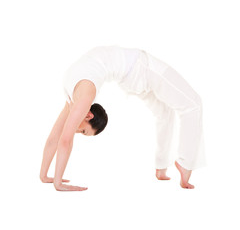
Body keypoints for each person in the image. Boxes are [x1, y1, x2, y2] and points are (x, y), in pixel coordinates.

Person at [40, 45, 206, 191]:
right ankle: (180, 164)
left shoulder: (80, 98)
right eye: (83, 131)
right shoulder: (78, 97)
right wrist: (50, 179)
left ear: (89, 115)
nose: (77, 130)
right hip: (134, 74)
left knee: (176, 109)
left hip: (140, 70)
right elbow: (59, 138)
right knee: (183, 107)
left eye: (83, 131)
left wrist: (51, 179)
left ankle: (166, 165)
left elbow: (61, 139)